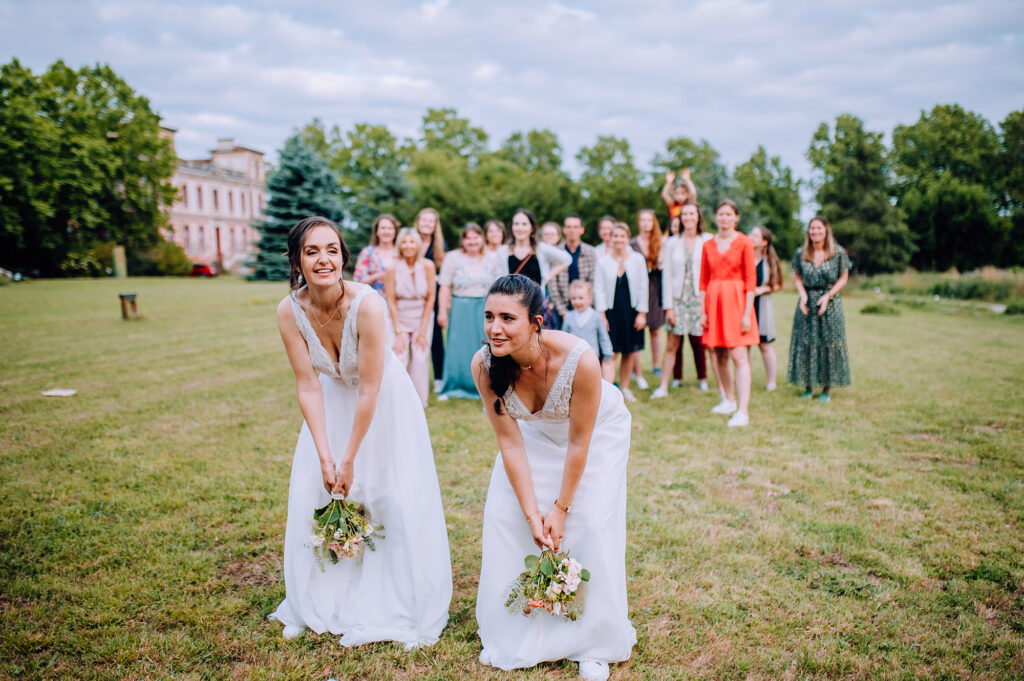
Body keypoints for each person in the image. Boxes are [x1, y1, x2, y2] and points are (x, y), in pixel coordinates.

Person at [269, 216, 452, 648]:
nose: (323, 259)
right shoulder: (288, 310)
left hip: (383, 404)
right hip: (330, 403)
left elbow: (370, 386)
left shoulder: (368, 305)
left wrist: (348, 458)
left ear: (344, 256)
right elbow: (308, 383)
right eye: (312, 251)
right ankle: (328, 593)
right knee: (318, 492)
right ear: (297, 260)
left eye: (331, 250)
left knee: (387, 495)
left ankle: (395, 596)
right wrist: (325, 454)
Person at [472, 275, 636, 681]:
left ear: (536, 323)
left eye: (508, 318)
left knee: (592, 522)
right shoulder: (484, 365)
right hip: (535, 434)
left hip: (596, 433)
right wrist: (533, 514)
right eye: (490, 316)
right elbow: (510, 445)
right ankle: (518, 626)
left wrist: (559, 510)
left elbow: (580, 445)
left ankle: (594, 642)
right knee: (503, 517)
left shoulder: (579, 360)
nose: (495, 328)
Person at [701, 200, 758, 427]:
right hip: (714, 303)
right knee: (719, 355)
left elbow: (751, 280)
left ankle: (743, 411)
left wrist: (746, 313)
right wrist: (703, 310)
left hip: (737, 302)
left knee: (738, 356)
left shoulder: (744, 242)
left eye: (728, 214)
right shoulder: (708, 245)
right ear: (716, 217)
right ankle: (729, 399)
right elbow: (703, 281)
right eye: (720, 214)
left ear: (736, 218)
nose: (724, 218)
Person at [652, 201, 713, 398]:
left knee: (702, 343)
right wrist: (668, 307)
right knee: (672, 344)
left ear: (698, 217)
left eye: (691, 214)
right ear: (680, 218)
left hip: (699, 298)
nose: (688, 218)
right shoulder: (672, 242)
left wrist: (708, 304)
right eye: (684, 214)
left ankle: (705, 381)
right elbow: (667, 275)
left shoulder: (707, 240)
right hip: (678, 299)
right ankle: (663, 386)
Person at [787, 216, 851, 402]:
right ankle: (808, 387)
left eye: (819, 228)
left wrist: (828, 296)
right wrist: (803, 295)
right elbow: (798, 277)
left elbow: (843, 277)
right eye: (812, 228)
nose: (815, 232)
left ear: (826, 230)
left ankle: (826, 389)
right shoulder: (802, 253)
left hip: (829, 304)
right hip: (807, 302)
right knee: (806, 343)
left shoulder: (837, 252)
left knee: (828, 344)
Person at [437, 223, 499, 399]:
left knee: (484, 346)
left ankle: (485, 385)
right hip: (459, 307)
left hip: (485, 307)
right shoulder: (453, 258)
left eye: (475, 237)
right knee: (458, 346)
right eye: (468, 238)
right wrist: (442, 310)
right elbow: (444, 286)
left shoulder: (492, 258)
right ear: (462, 240)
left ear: (482, 238)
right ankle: (453, 386)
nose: (472, 241)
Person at [594, 222, 648, 402]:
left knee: (629, 351)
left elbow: (643, 287)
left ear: (627, 238)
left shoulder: (637, 259)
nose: (618, 239)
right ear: (610, 238)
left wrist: (642, 313)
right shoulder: (603, 261)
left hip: (631, 311)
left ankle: (625, 387)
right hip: (611, 312)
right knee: (611, 352)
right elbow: (599, 289)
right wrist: (602, 315)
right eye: (615, 236)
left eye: (622, 236)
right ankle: (606, 390)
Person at [385, 228, 437, 407]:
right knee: (398, 355)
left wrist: (422, 331)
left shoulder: (428, 266)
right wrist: (398, 333)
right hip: (397, 317)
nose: (408, 246)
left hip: (422, 316)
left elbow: (431, 299)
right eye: (404, 242)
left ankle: (418, 402)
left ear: (418, 244)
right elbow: (390, 301)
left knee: (420, 357)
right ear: (400, 245)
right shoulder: (392, 268)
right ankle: (396, 399)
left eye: (411, 242)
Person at [494, 209, 572, 289]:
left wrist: (546, 278)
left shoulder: (540, 248)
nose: (520, 228)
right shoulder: (503, 251)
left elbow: (567, 259)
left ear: (532, 228)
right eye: (516, 224)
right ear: (512, 227)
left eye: (524, 224)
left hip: (535, 299)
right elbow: (500, 279)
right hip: (512, 299)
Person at [630, 209, 665, 384]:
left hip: (656, 289)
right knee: (636, 329)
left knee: (655, 330)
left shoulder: (659, 243)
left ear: (653, 223)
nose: (645, 223)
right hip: (637, 289)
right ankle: (635, 369)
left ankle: (656, 365)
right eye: (642, 220)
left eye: (648, 220)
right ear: (639, 223)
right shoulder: (632, 244)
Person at [415, 208, 447, 394]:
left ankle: (439, 378)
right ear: (418, 222)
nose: (427, 224)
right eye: (424, 220)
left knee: (435, 337)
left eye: (431, 221)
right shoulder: (410, 242)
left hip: (432, 297)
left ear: (435, 225)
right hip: (411, 296)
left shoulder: (441, 246)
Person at [547, 213, 598, 326]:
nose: (572, 230)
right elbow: (553, 284)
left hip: (585, 306)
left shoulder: (590, 252)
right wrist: (563, 312)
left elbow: (592, 281)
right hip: (562, 307)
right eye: (569, 227)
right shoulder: (556, 253)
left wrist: (585, 304)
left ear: (582, 230)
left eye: (575, 227)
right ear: (564, 230)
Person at [749, 226, 783, 391]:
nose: (751, 237)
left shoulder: (769, 260)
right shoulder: (745, 256)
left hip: (762, 305)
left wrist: (761, 290)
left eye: (755, 235)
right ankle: (744, 377)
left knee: (765, 345)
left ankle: (771, 381)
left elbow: (777, 284)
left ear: (764, 242)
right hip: (745, 306)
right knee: (744, 345)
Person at [562, 280, 615, 383]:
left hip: (592, 359)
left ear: (590, 299)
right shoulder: (568, 317)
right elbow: (564, 338)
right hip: (573, 359)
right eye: (573, 298)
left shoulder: (596, 317)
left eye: (581, 298)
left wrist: (608, 352)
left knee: (591, 382)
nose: (577, 302)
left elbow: (603, 337)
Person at [352, 214, 399, 293]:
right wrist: (377, 276)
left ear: (395, 231)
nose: (386, 231)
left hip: (397, 301)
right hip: (372, 301)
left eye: (390, 228)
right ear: (377, 232)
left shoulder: (401, 252)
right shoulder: (367, 252)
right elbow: (358, 282)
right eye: (383, 228)